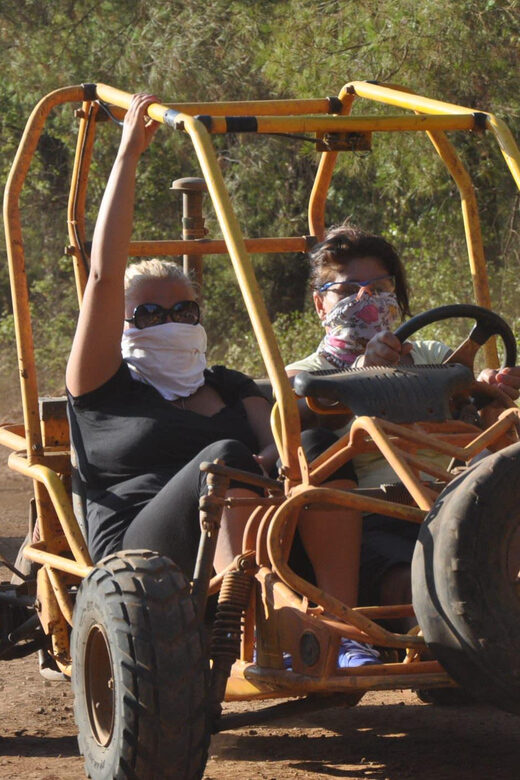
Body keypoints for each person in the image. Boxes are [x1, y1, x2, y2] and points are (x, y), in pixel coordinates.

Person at [66, 95, 374, 667]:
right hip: (141, 558)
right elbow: (107, 274)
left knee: (317, 447)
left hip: (247, 527)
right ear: (123, 323)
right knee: (225, 455)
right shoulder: (103, 385)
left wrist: (278, 454)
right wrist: (129, 154)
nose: (170, 321)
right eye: (150, 314)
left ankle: (341, 625)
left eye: (183, 311)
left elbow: (275, 443)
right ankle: (265, 621)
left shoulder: (229, 385)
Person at [286, 222, 520, 615]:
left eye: (378, 288)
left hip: (460, 498)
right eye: (347, 290)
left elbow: (467, 405)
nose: (366, 298)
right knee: (414, 586)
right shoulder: (305, 375)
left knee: (504, 418)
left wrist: (486, 388)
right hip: (375, 512)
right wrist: (363, 371)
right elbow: (293, 422)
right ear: (319, 303)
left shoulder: (431, 354)